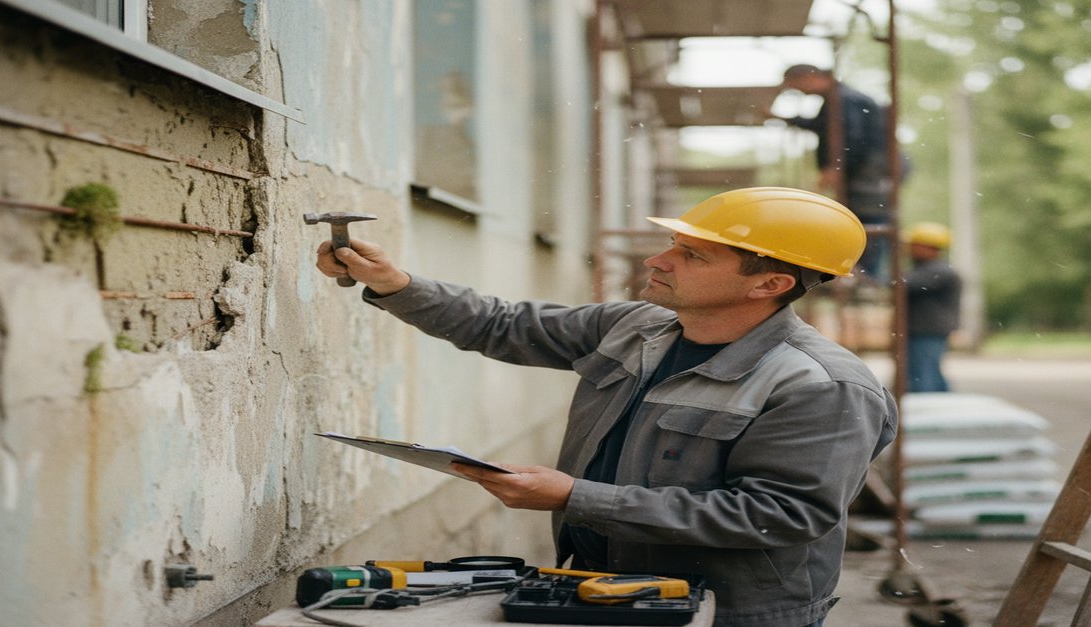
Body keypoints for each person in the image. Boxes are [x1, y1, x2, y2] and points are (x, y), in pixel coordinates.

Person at [316, 187, 897, 627]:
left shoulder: (821, 386)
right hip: (606, 589)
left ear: (768, 285)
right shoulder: (636, 326)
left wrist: (574, 497)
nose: (658, 260)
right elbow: (504, 325)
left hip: (728, 612)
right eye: (674, 244)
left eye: (691, 255)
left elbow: (779, 514)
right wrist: (396, 284)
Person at [776, 64, 896, 283]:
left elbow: (853, 137)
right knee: (862, 217)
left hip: (869, 169)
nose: (800, 92)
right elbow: (822, 126)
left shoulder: (846, 100)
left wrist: (836, 166)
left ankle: (868, 276)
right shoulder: (839, 99)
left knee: (868, 219)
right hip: (866, 168)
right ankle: (862, 274)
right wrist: (789, 120)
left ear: (811, 77)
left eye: (797, 85)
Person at [903, 222, 962, 393]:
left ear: (929, 247)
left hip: (927, 332)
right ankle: (943, 407)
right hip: (926, 331)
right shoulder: (931, 269)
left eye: (913, 245)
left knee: (923, 377)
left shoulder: (938, 271)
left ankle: (930, 410)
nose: (909, 249)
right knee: (929, 373)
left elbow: (903, 284)